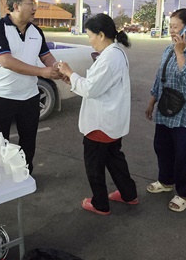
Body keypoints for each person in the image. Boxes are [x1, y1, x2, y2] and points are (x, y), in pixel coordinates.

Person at [57, 14, 137, 215]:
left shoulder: (109, 57)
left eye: (90, 35)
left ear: (101, 35)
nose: (89, 40)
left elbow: (91, 89)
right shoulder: (115, 52)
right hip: (111, 120)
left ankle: (100, 203)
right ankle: (129, 194)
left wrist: (70, 72)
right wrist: (74, 80)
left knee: (94, 164)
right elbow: (98, 84)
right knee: (114, 159)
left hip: (100, 123)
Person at [0, 0, 61, 173]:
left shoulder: (36, 31)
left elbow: (46, 56)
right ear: (16, 6)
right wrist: (42, 72)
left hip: (29, 97)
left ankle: (25, 174)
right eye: (31, 3)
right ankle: (0, 176)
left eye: (35, 3)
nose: (35, 7)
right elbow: (6, 61)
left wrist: (58, 69)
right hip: (3, 96)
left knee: (28, 141)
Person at [145, 9, 186, 212]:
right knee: (162, 147)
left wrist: (180, 52)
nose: (171, 30)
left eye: (175, 26)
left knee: (184, 154)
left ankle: (184, 193)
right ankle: (166, 181)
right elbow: (160, 77)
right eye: (170, 26)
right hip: (165, 108)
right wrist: (152, 100)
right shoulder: (168, 49)